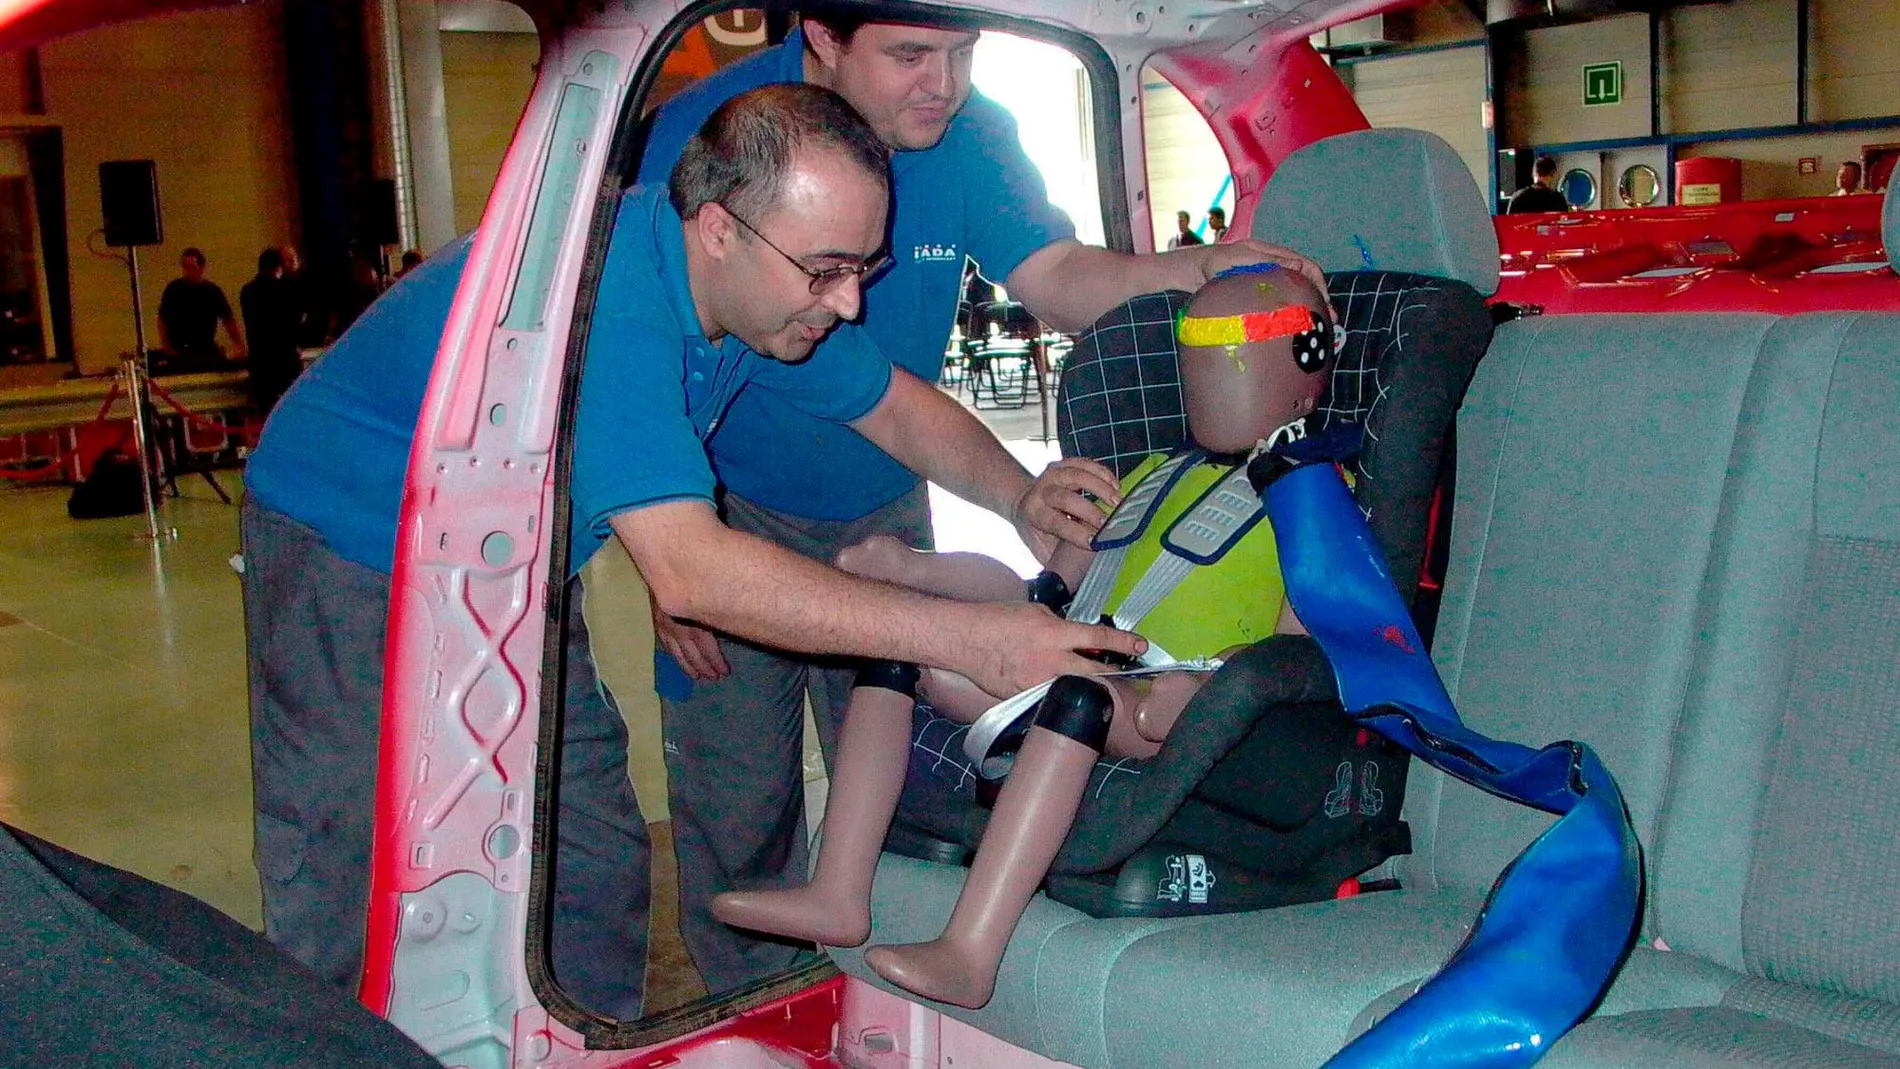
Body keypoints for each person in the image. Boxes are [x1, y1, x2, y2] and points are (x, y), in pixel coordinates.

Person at [239, 84, 1137, 1019]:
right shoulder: (605, 301)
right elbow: (695, 569)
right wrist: (974, 638)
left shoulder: (759, 297)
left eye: (863, 267)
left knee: (584, 851)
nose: (849, 300)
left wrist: (1019, 493)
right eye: (828, 269)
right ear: (718, 229)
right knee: (342, 850)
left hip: (512, 558)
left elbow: (893, 405)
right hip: (346, 535)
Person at [631, 10, 1329, 996]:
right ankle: (749, 1023)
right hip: (722, 507)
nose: (944, 84)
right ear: (823, 39)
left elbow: (1050, 287)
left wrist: (1190, 270)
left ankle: (874, 1012)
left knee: (912, 794)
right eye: (910, 56)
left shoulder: (973, 133)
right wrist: (670, 559)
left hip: (883, 501)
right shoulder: (709, 139)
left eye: (964, 55)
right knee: (737, 809)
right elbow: (633, 361)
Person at [711, 265, 1334, 1009]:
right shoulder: (1151, 476)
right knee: (903, 653)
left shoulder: (1317, 500)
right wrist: (918, 575)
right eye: (1197, 352)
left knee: (1078, 696)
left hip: (1166, 694)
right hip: (1074, 648)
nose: (1209, 376)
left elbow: (1310, 641)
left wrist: (1219, 684)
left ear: (1303, 368)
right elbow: (1043, 594)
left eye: (1228, 353)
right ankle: (839, 889)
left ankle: (970, 949)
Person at [239, 247, 304, 416]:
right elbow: (295, 323)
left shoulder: (247, 292)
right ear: (279, 267)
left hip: (260, 362)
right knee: (292, 410)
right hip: (286, 360)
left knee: (266, 412)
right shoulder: (287, 289)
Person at [157, 247, 244, 365]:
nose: (187, 272)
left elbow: (228, 319)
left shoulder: (212, 291)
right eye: (185, 267)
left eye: (192, 267)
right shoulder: (174, 290)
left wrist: (238, 344)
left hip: (205, 348)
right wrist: (166, 345)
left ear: (201, 268)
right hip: (179, 350)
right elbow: (162, 318)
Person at [1506, 156, 1570, 214]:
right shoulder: (1558, 199)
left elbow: (1508, 224)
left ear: (1534, 174)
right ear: (1553, 173)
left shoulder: (1518, 198)